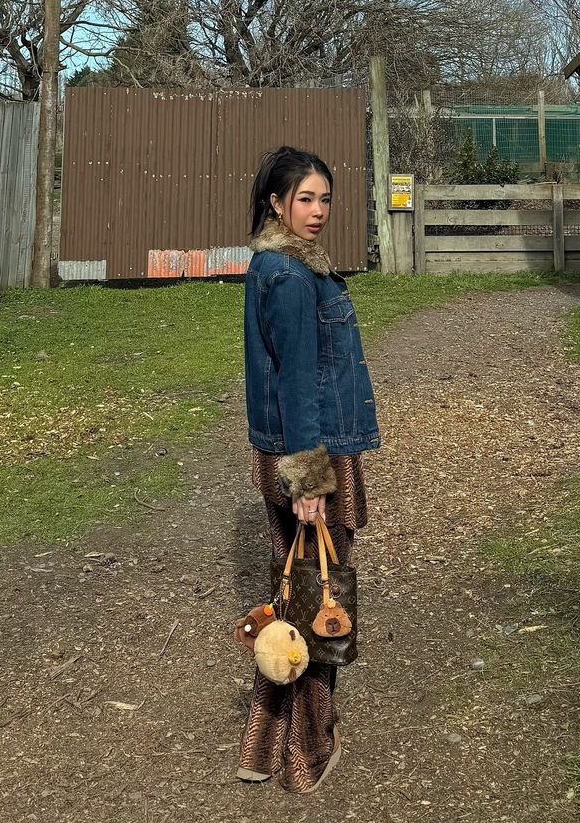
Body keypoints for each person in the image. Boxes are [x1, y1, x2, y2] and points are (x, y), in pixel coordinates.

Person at [238, 145, 381, 792]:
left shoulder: (269, 264)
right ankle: (307, 754)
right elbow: (296, 383)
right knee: (323, 602)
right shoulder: (292, 278)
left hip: (288, 453)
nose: (318, 210)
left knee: (292, 597)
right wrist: (310, 484)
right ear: (276, 202)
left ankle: (263, 744)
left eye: (325, 198)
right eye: (305, 198)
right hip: (312, 458)